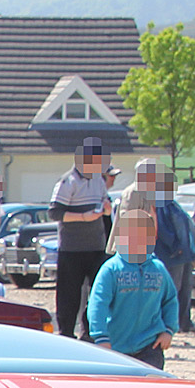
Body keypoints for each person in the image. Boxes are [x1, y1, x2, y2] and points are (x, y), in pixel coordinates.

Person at [88, 209, 178, 368]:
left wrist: (168, 331)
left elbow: (170, 300)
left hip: (150, 346)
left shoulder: (158, 269)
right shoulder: (111, 270)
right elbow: (98, 304)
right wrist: (101, 338)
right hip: (115, 347)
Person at [51, 138, 113, 340]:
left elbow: (105, 202)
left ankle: (89, 332)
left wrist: (106, 208)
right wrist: (82, 217)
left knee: (96, 292)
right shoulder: (67, 182)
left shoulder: (98, 181)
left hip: (96, 246)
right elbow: (55, 213)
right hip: (72, 248)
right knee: (69, 294)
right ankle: (66, 334)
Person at [152, 170, 195, 333]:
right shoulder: (160, 204)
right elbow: (161, 229)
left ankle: (184, 322)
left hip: (184, 255)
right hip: (172, 256)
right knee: (172, 290)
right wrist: (176, 247)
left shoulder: (172, 203)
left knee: (185, 288)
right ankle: (168, 324)